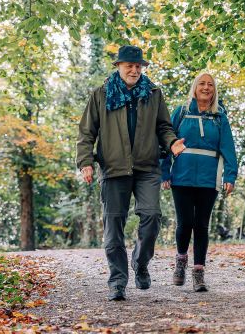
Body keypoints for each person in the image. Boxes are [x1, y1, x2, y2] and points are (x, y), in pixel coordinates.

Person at [77, 45, 185, 301]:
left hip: (147, 167)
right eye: (130, 66)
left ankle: (140, 262)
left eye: (138, 66)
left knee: (152, 217)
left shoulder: (153, 94)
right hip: (114, 170)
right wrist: (86, 162)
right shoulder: (101, 95)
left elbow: (164, 126)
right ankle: (117, 281)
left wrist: (171, 143)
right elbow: (86, 133)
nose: (135, 70)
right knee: (113, 227)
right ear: (118, 67)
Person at [161, 71, 238, 292]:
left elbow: (228, 148)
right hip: (182, 176)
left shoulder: (220, 116)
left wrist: (230, 176)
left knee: (202, 225)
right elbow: (167, 141)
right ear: (194, 88)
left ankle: (198, 272)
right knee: (185, 222)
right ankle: (181, 261)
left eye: (210, 85)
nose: (206, 88)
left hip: (208, 177)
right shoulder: (181, 112)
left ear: (214, 90)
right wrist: (164, 172)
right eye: (202, 84)